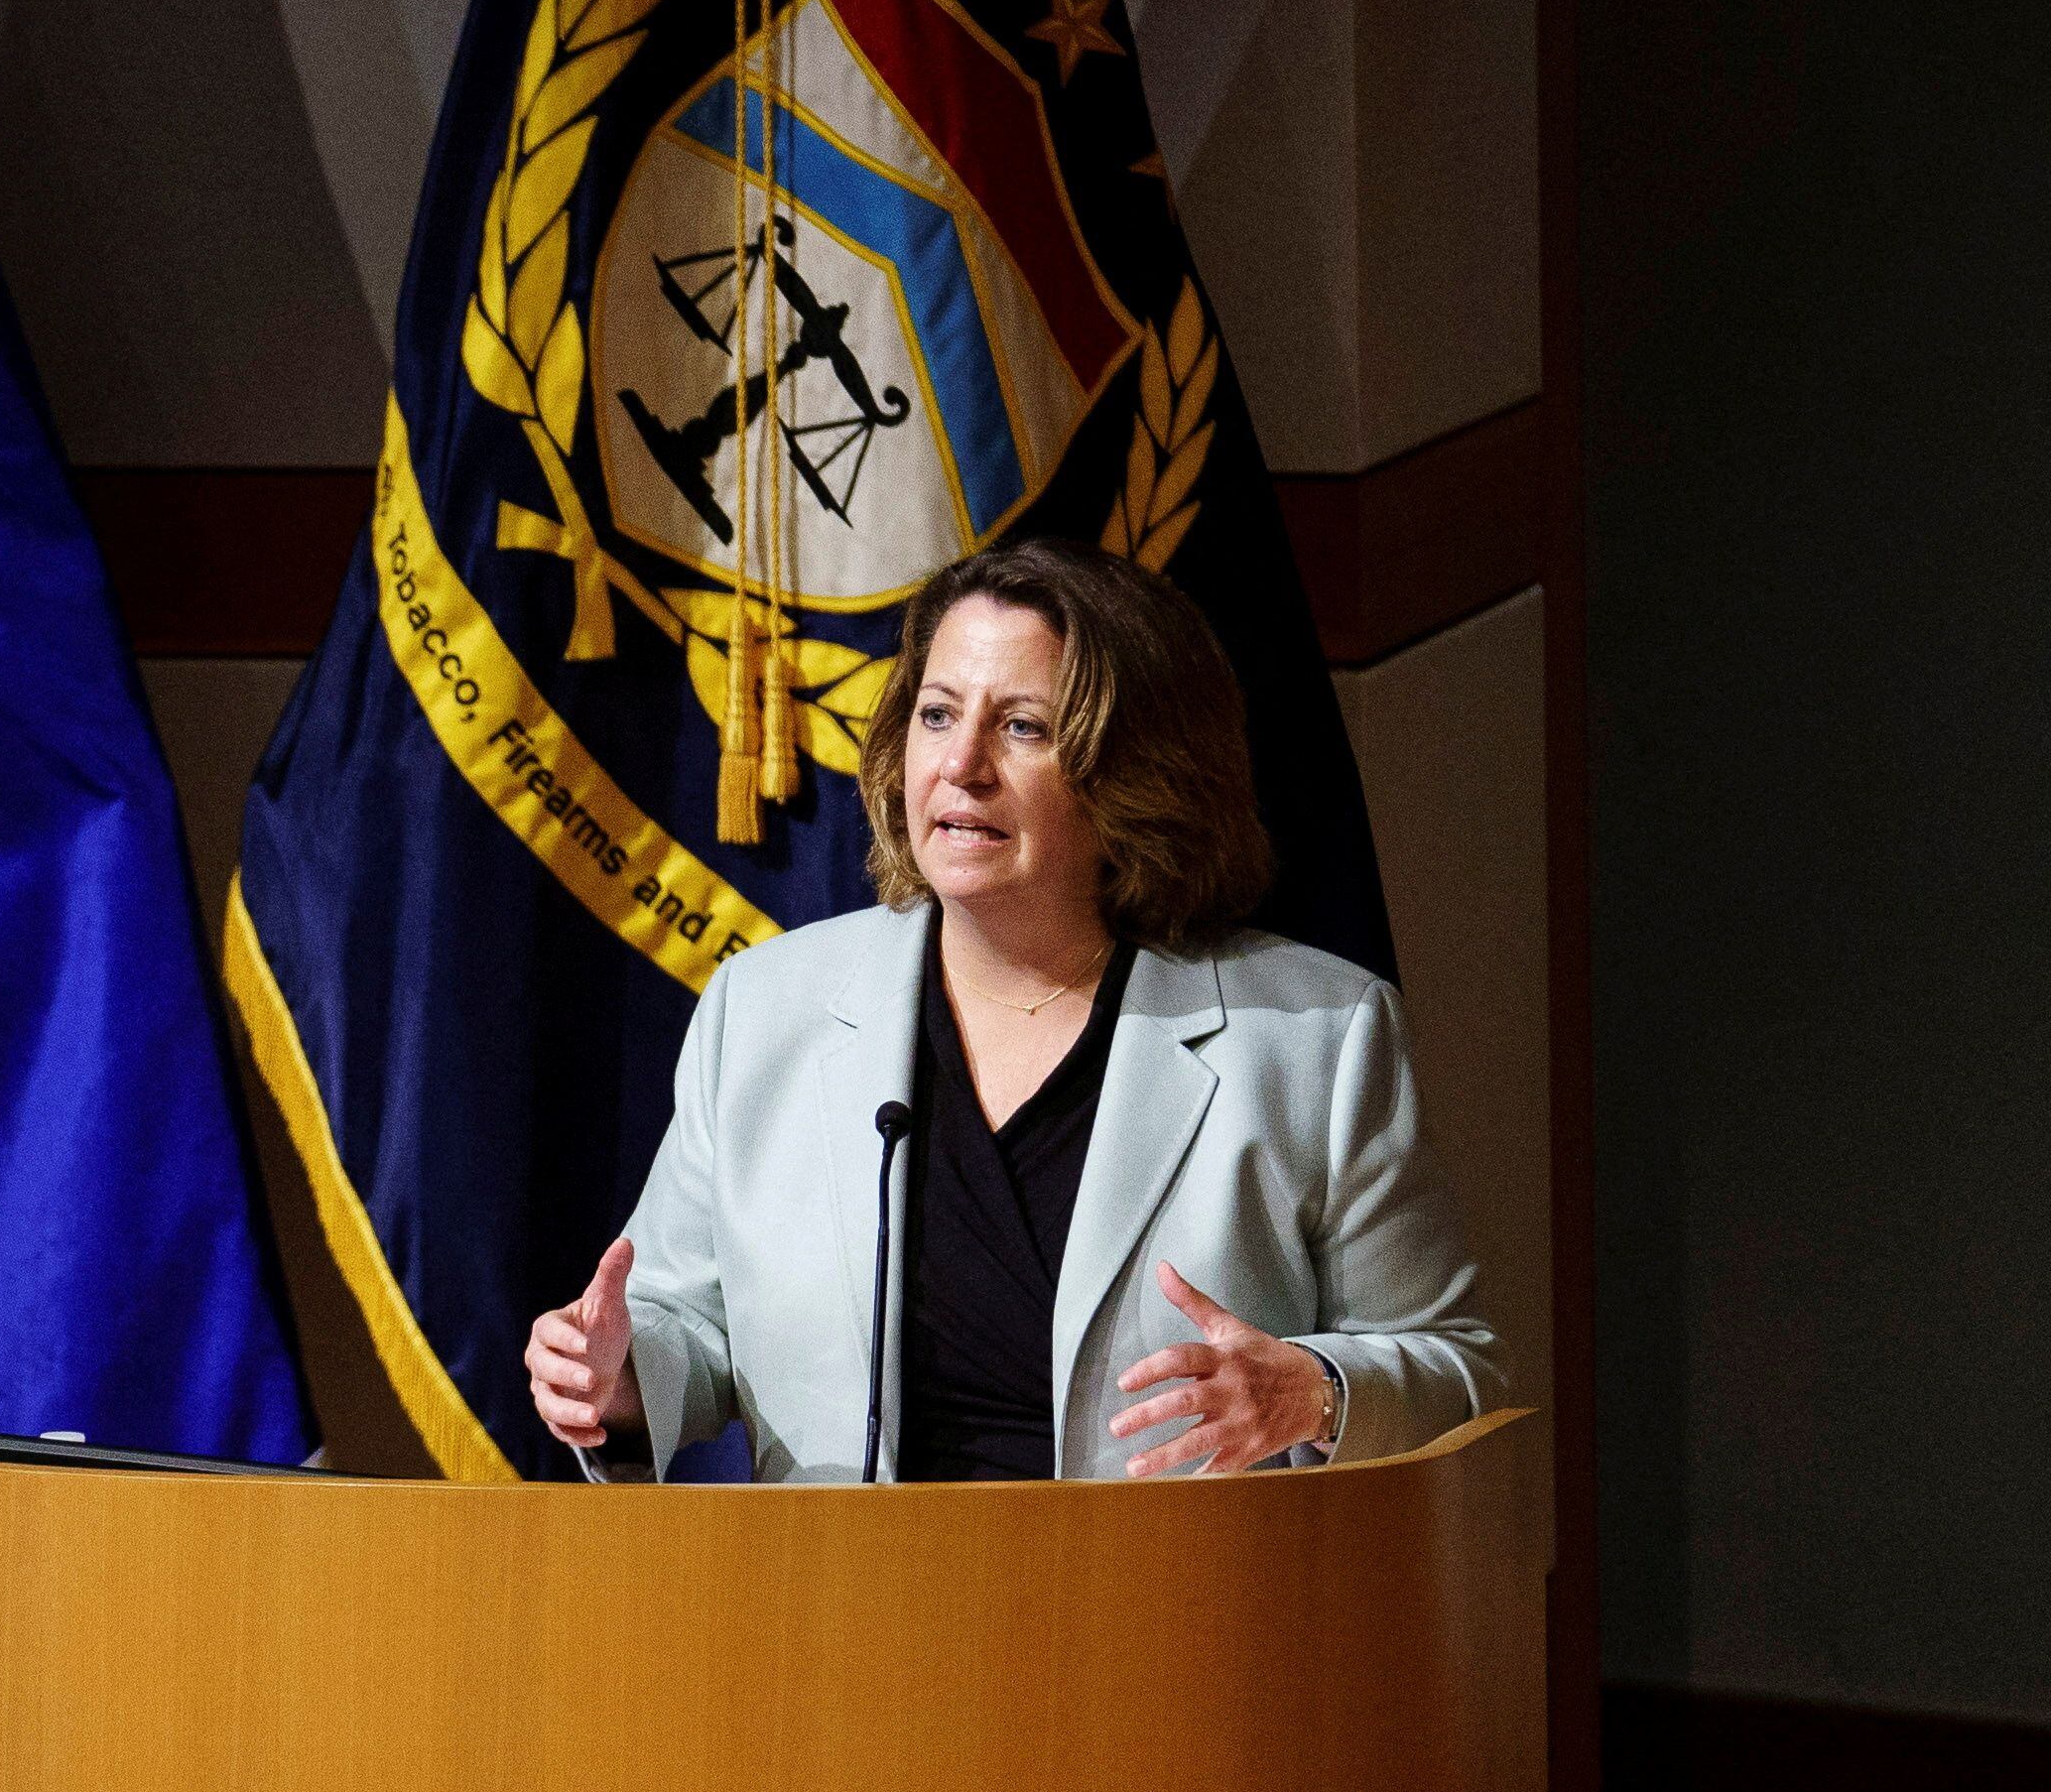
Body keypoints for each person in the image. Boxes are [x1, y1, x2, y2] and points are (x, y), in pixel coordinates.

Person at [522, 539, 1493, 1482]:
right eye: (938, 715)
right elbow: (683, 1320)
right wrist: (615, 1374)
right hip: (844, 1620)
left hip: (1170, 1620)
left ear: (1134, 766)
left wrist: (1316, 1393)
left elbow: (1459, 1374)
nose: (962, 763)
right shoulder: (766, 1010)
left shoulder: (1315, 1036)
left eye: (1023, 725)